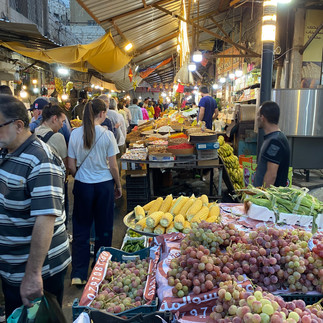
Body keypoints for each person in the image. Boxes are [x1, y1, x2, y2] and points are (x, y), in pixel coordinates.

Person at [0, 95, 71, 316]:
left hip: (38, 270)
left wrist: (33, 274)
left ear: (19, 125)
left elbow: (45, 219)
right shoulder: (7, 151)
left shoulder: (41, 160)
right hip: (12, 266)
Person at [68, 98, 122, 285]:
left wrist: (81, 176)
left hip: (83, 186)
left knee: (81, 229)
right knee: (104, 228)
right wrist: (118, 185)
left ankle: (78, 274)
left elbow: (71, 164)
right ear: (101, 114)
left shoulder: (75, 134)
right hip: (104, 186)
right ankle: (101, 270)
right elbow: (113, 166)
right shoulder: (107, 135)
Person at [254, 101, 290, 188]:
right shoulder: (275, 138)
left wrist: (262, 196)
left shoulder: (275, 141)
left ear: (262, 118)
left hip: (268, 197)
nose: (257, 118)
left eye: (258, 115)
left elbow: (271, 174)